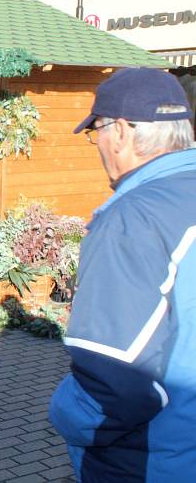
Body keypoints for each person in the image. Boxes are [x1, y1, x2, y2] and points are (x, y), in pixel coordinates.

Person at [48, 68, 196, 482]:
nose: (98, 147)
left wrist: (63, 414)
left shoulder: (133, 219)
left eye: (96, 132)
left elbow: (117, 381)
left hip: (153, 459)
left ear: (123, 132)